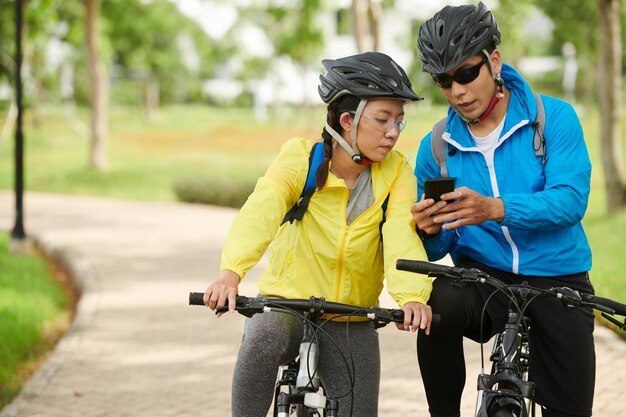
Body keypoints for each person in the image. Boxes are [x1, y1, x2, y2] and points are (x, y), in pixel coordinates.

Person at [203, 51, 433, 417]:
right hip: (287, 303)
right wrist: (230, 274)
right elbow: (261, 210)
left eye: (399, 122)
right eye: (383, 119)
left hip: (351, 316)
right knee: (261, 340)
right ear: (347, 120)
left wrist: (411, 297)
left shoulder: (396, 172)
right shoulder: (300, 158)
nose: (393, 132)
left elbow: (402, 233)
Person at [411, 3, 594, 417]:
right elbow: (438, 246)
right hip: (482, 278)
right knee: (438, 302)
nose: (456, 90)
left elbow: (570, 200)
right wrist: (428, 230)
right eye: (443, 80)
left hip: (557, 277)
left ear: (493, 61)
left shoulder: (553, 119)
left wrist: (496, 208)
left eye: (465, 74)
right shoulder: (437, 146)